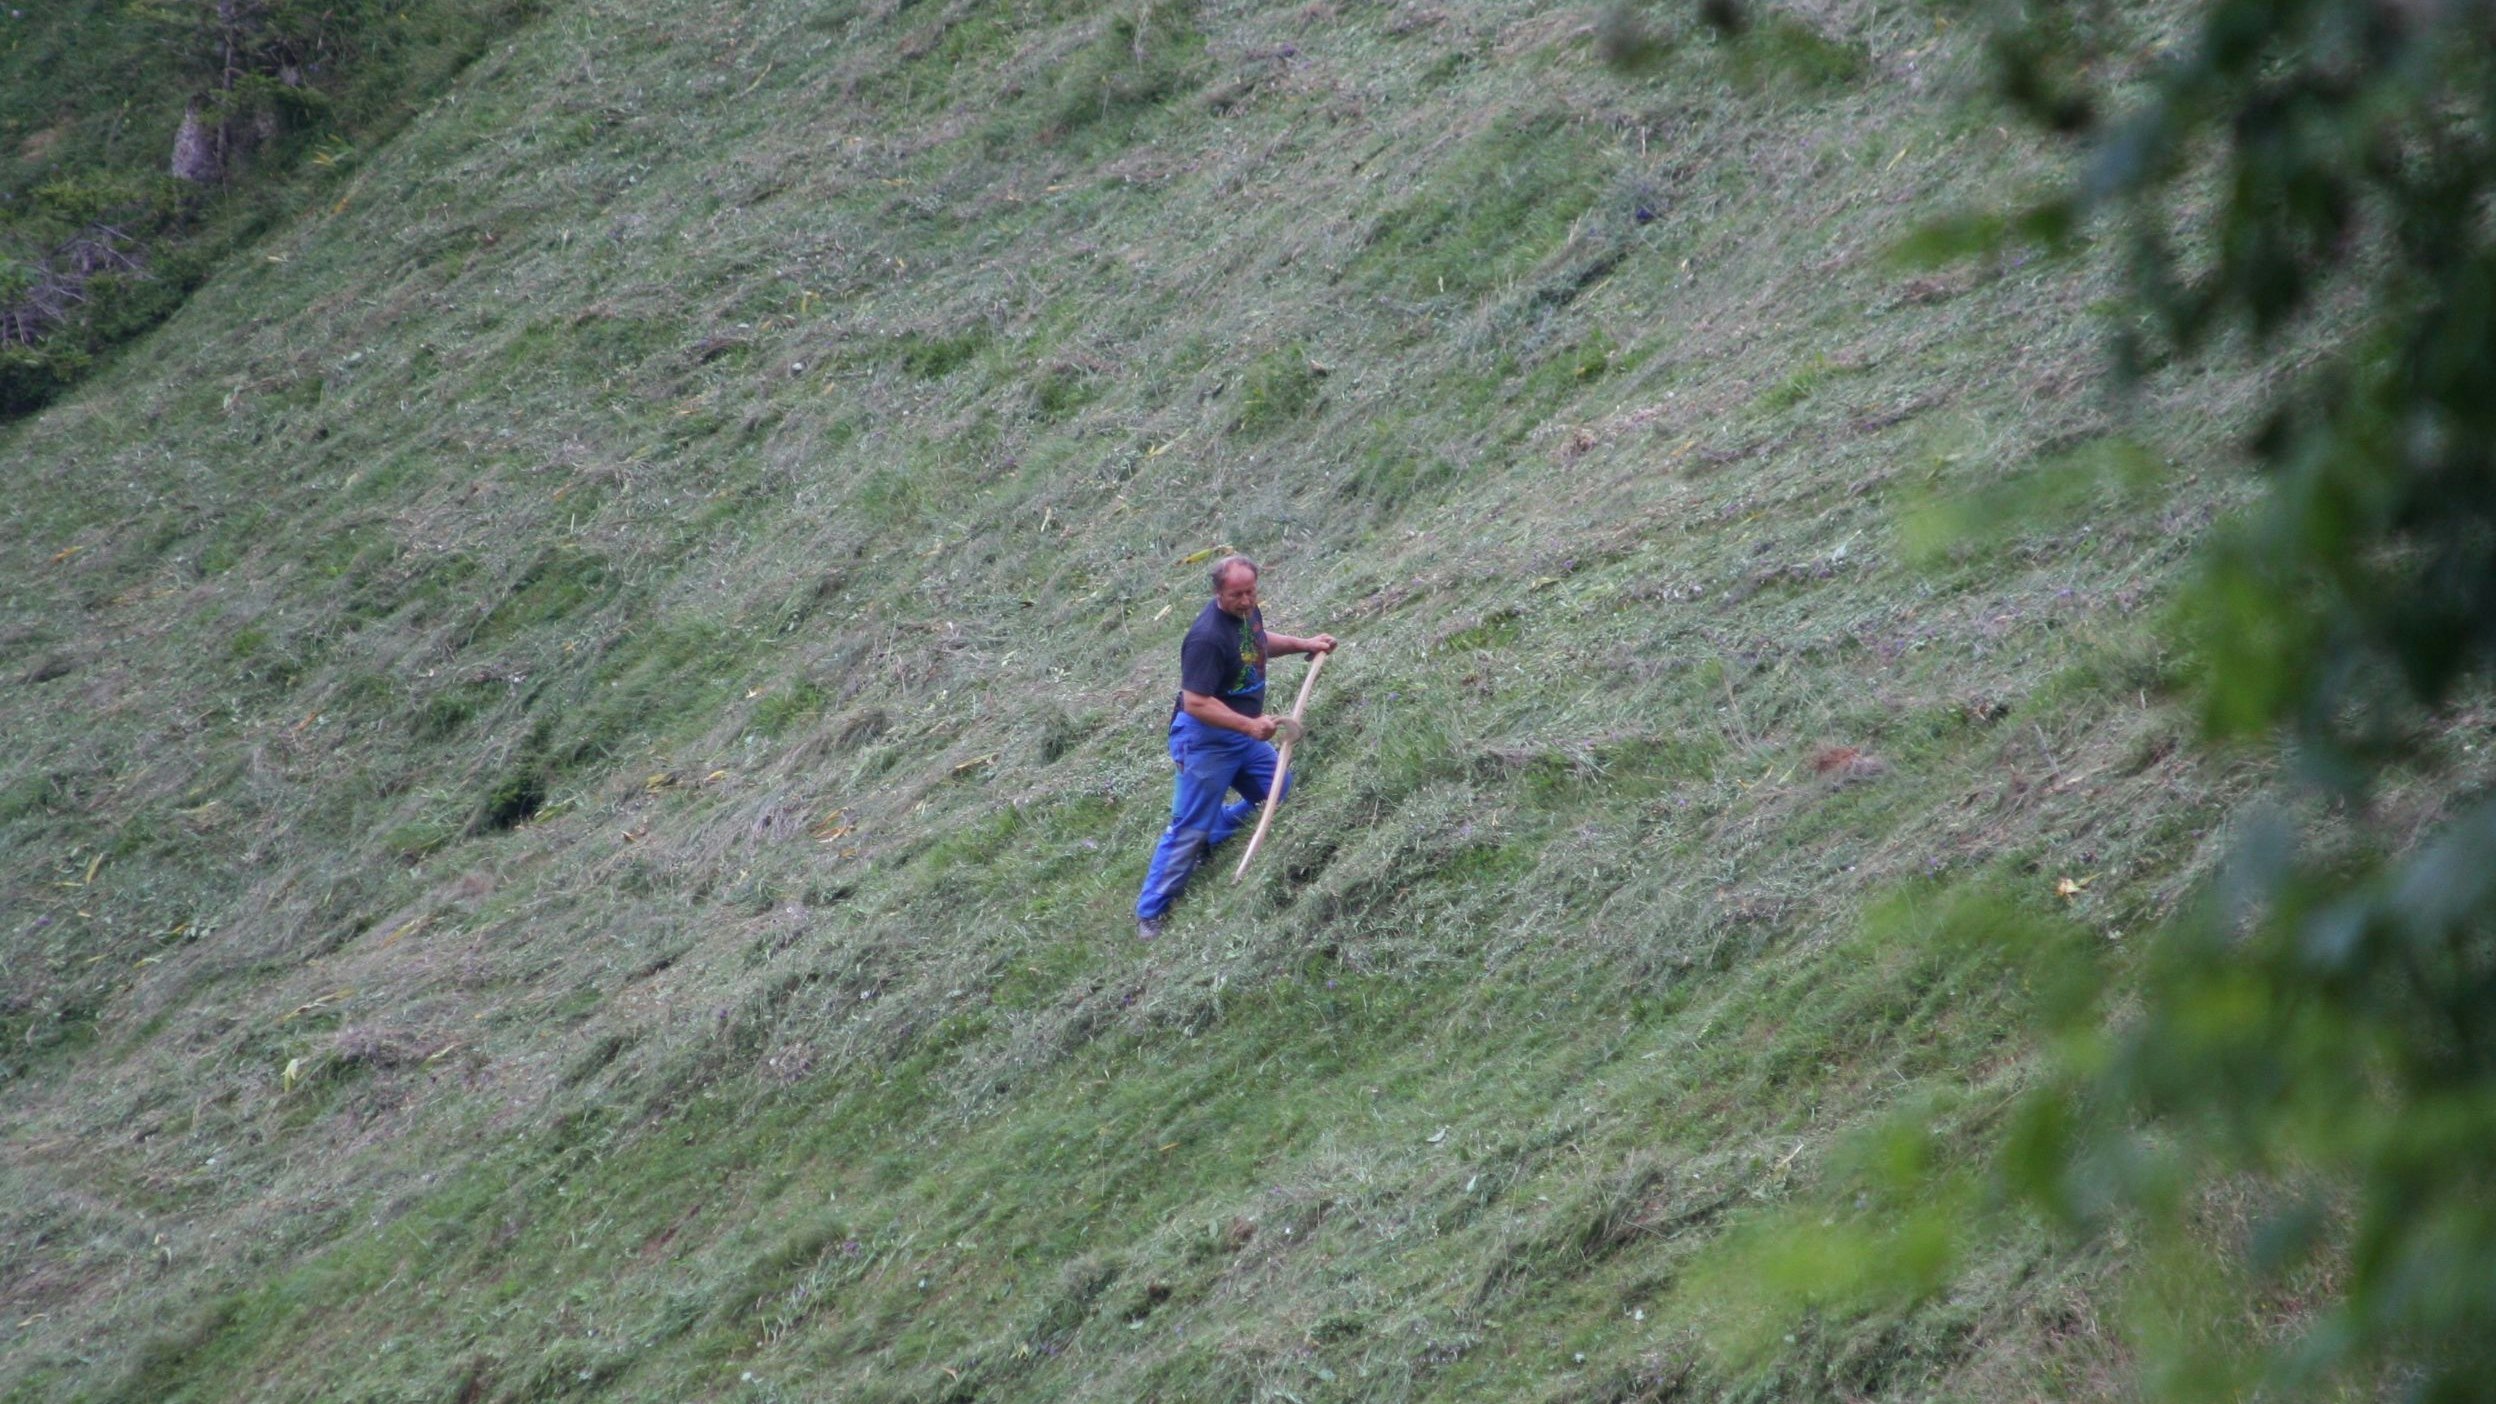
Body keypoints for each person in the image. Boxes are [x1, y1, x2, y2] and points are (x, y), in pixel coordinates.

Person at [1134, 555, 1337, 939]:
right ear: (1217, 593)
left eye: (1250, 592)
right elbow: (1196, 702)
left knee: (1278, 788)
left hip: (1243, 735)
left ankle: (1214, 833)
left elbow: (1259, 645)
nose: (1245, 601)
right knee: (1188, 828)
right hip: (1205, 740)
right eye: (1236, 594)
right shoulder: (1205, 638)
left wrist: (1304, 644)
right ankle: (1151, 912)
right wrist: (1249, 724)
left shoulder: (1248, 615)